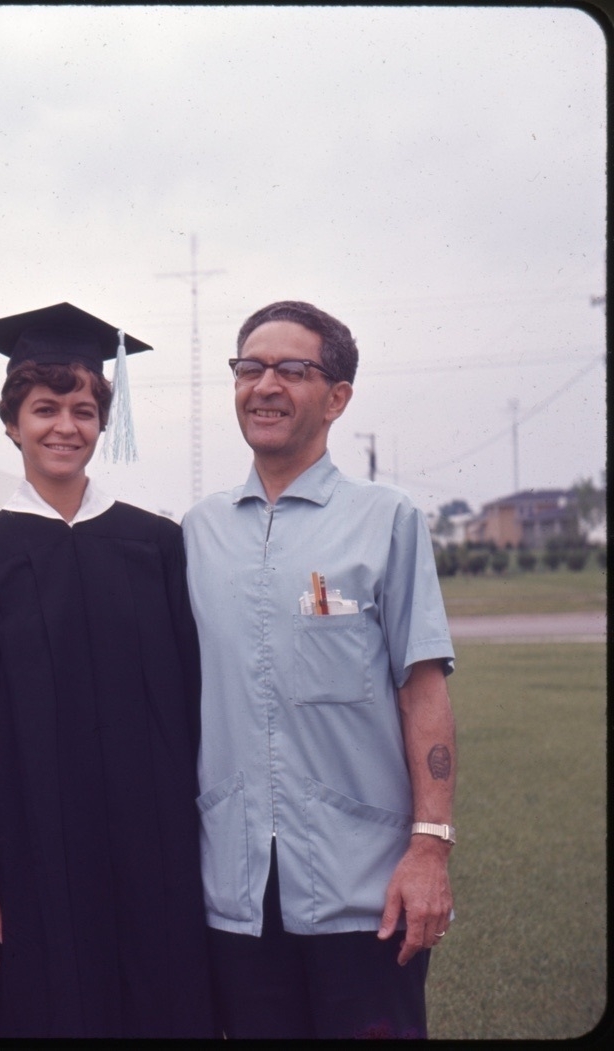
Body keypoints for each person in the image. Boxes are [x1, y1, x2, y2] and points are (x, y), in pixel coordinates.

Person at [0, 302, 213, 1038]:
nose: (64, 426)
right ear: (11, 422)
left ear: (105, 420)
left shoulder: (156, 546)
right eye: (44, 408)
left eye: (82, 408)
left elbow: (194, 707)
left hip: (153, 856)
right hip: (28, 862)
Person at [182, 300, 457, 1039]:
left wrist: (430, 848)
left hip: (364, 889)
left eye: (292, 369)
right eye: (250, 367)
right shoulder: (196, 533)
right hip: (233, 893)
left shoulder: (386, 519)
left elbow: (422, 688)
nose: (264, 385)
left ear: (337, 397)